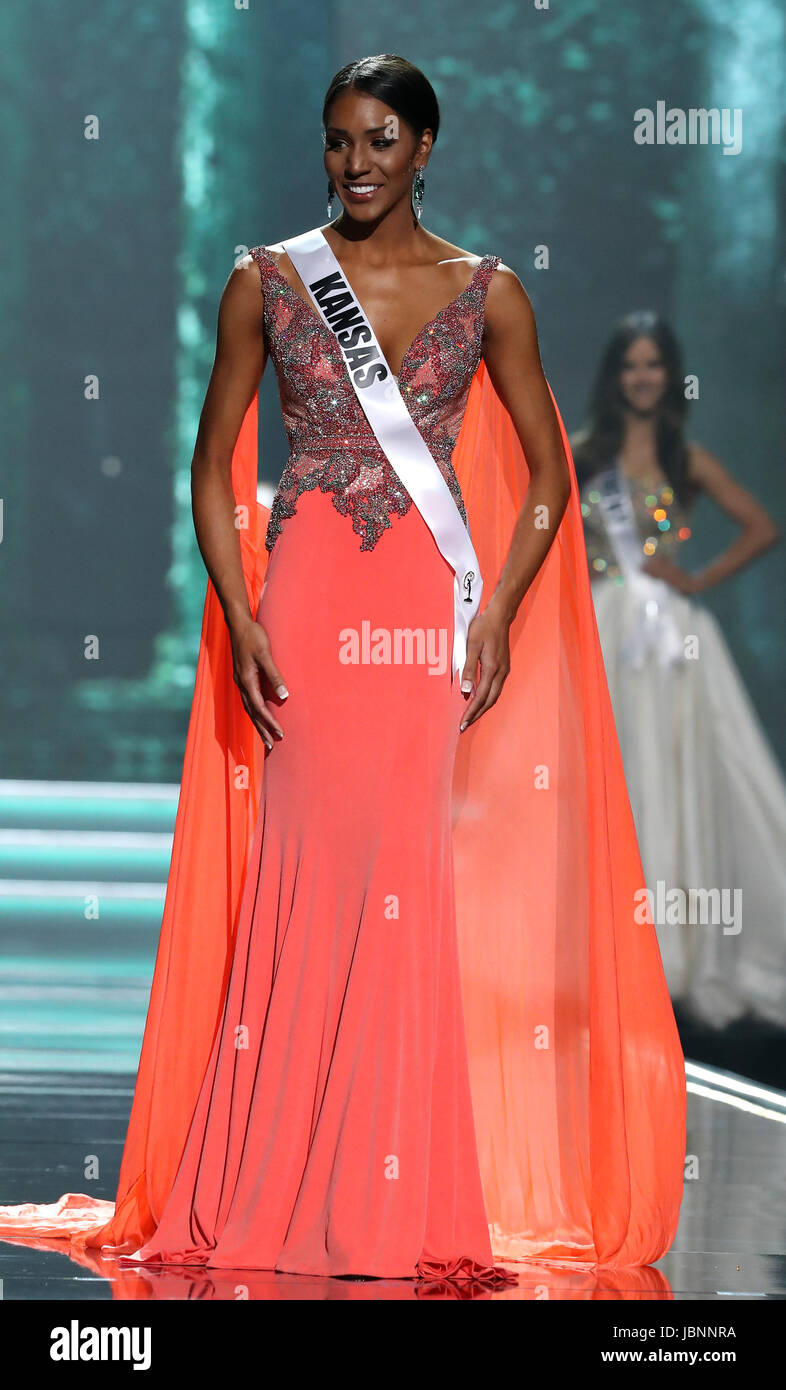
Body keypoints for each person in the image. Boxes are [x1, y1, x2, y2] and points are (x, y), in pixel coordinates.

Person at [0, 56, 686, 1281]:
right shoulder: (264, 280)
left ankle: (399, 1198)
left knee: (404, 871)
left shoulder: (491, 293)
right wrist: (240, 609)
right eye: (336, 142)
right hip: (309, 606)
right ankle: (266, 1183)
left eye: (379, 140)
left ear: (426, 146)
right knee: (307, 867)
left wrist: (502, 613)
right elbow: (213, 465)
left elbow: (545, 478)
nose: (354, 163)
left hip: (429, 613)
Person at [573, 313, 786, 1032]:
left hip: (671, 642)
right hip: (600, 632)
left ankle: (675, 949)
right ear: (615, 375)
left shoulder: (686, 458)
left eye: (654, 365)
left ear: (670, 375)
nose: (642, 377)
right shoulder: (578, 454)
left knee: (671, 772)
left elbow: (761, 525)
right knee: (604, 775)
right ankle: (597, 945)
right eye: (630, 365)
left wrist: (696, 582)